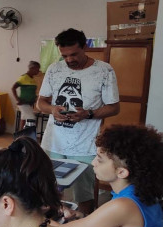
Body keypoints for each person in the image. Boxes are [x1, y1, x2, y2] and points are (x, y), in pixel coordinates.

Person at [37, 28, 120, 215]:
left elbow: (114, 107)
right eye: (64, 55)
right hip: (53, 144)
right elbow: (40, 103)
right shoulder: (54, 69)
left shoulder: (104, 70)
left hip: (85, 147)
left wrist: (88, 114)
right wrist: (52, 110)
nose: (69, 60)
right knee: (48, 192)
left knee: (85, 196)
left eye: (74, 54)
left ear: (85, 47)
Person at [11, 61, 40, 130]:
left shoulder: (32, 79)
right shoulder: (24, 77)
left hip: (29, 103)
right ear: (32, 68)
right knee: (33, 119)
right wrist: (18, 99)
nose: (38, 71)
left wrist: (35, 99)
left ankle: (21, 136)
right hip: (23, 103)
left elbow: (31, 92)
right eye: (37, 68)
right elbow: (13, 88)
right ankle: (30, 136)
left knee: (23, 119)